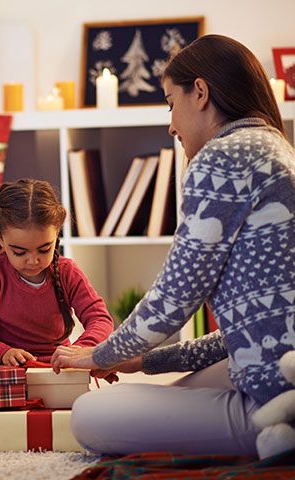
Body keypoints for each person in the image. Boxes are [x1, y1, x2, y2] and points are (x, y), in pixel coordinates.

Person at [51, 34, 295, 456]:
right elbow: (249, 332)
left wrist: (99, 357)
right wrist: (144, 362)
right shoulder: (275, 148)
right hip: (277, 363)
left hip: (275, 394)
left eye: (170, 103)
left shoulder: (223, 157)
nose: (170, 124)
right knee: (172, 388)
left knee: (89, 414)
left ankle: (275, 432)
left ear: (199, 92)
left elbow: (174, 297)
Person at [0, 178, 114, 366]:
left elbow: (100, 318)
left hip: (54, 369)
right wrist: (4, 352)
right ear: (0, 238)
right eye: (19, 252)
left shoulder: (67, 271)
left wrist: (82, 349)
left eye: (44, 249)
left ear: (57, 233)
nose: (33, 260)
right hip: (3, 370)